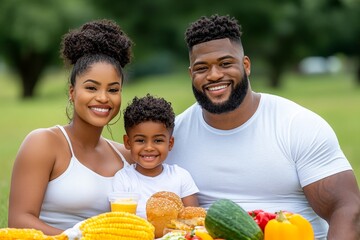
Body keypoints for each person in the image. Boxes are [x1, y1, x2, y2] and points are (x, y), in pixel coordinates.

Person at [166, 14, 360, 240]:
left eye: (225, 64)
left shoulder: (296, 124)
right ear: (191, 74)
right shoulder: (171, 138)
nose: (215, 75)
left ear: (246, 65)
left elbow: (347, 209)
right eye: (202, 68)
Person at [8, 19, 133, 235]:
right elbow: (19, 219)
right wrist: (78, 238)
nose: (103, 98)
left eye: (113, 90)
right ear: (72, 92)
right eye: (91, 88)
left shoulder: (126, 156)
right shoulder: (44, 143)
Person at [113, 94, 199, 219]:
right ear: (128, 142)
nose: (149, 147)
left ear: (170, 143)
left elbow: (194, 221)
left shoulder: (181, 177)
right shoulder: (124, 179)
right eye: (140, 140)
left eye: (158, 141)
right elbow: (121, 221)